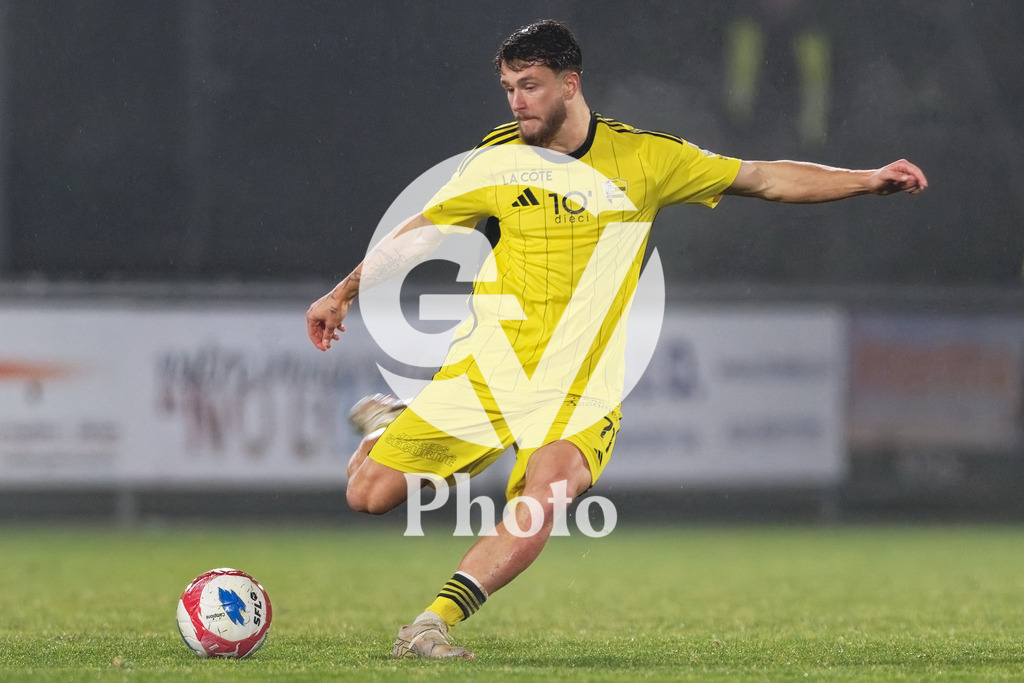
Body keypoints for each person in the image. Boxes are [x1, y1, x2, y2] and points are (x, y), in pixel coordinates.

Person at [305, 19, 927, 660]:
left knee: (544, 495)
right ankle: (396, 425)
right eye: (509, 88)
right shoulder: (497, 158)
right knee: (369, 495)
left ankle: (432, 623)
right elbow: (423, 231)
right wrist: (343, 291)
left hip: (583, 384)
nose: (517, 101)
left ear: (570, 85)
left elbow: (762, 177)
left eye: (531, 86)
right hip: (490, 366)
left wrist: (866, 179)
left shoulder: (644, 159)